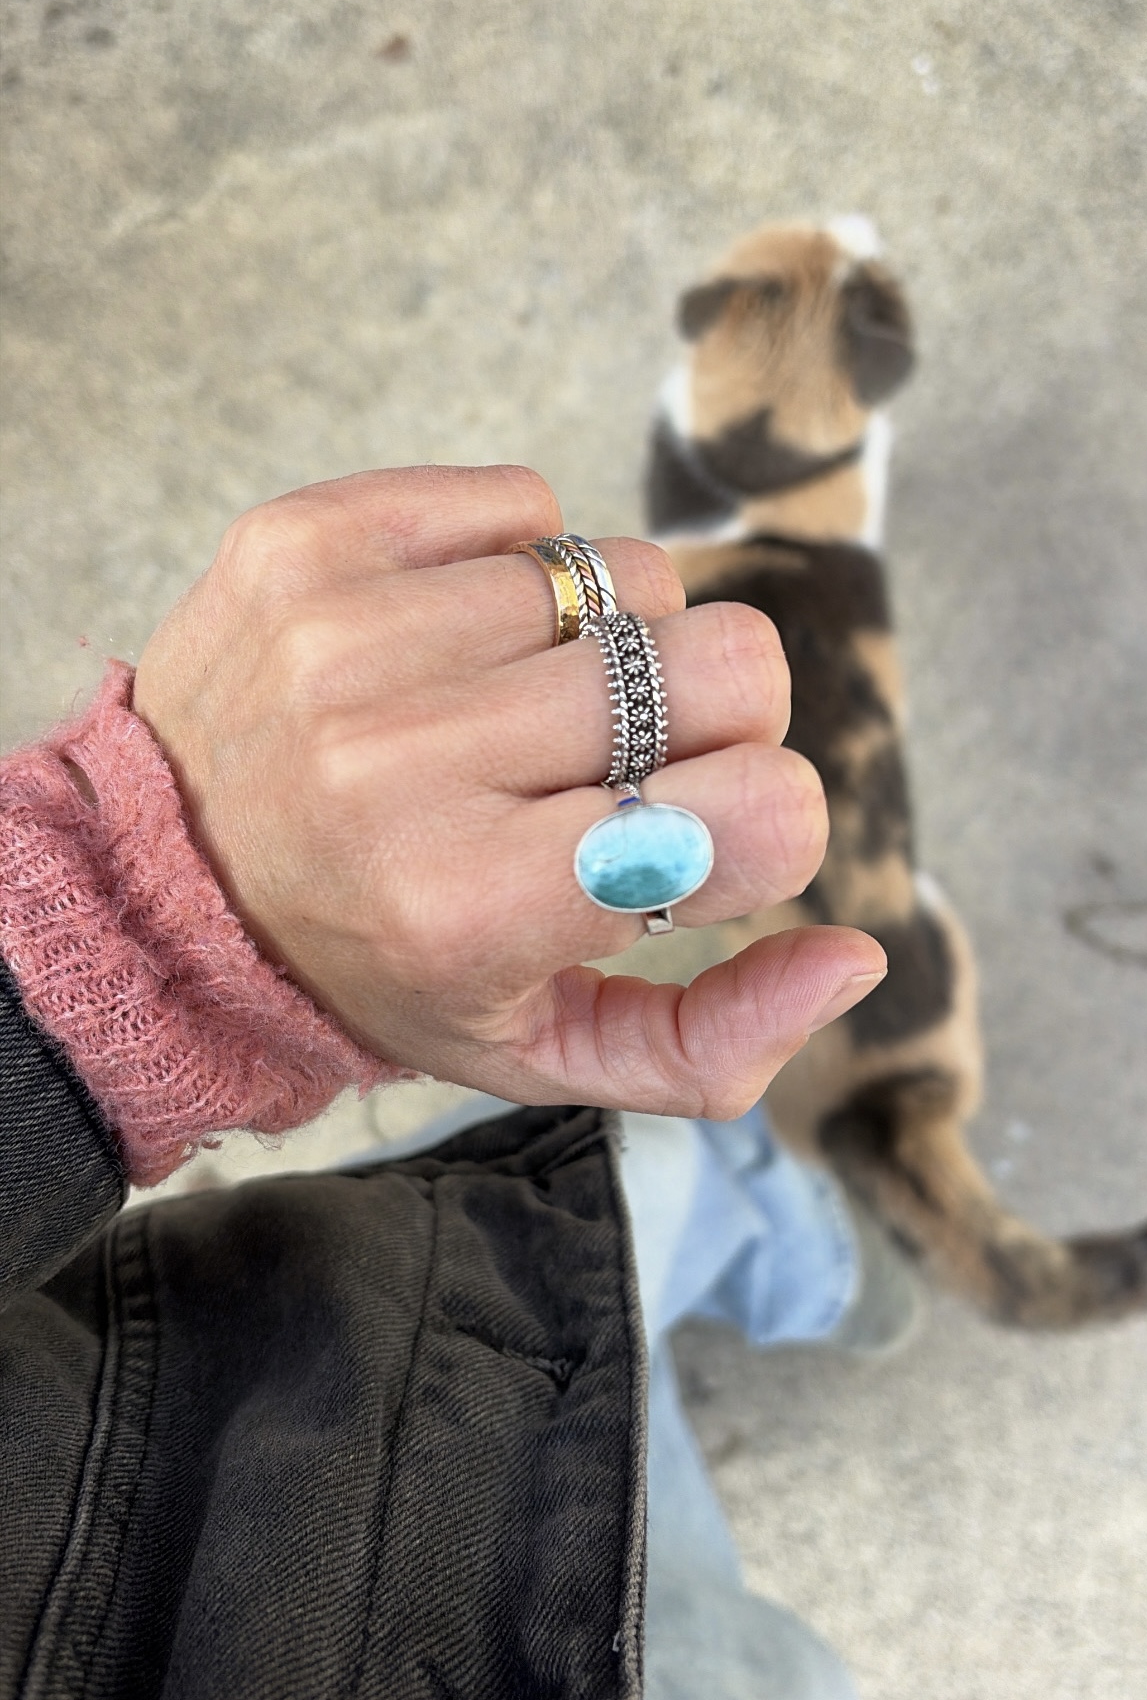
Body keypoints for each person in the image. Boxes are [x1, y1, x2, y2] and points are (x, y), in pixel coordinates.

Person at [1, 464, 887, 1699]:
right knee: (763, 1664)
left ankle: (765, 1226)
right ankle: (749, 1230)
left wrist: (125, 921)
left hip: (205, 1387)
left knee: (601, 1197)